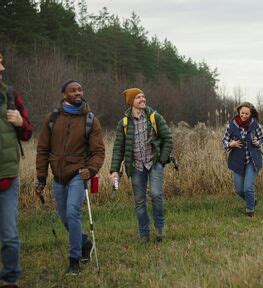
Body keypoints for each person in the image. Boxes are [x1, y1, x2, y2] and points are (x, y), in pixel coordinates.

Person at [35, 79, 105, 275]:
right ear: (64, 95)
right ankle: (84, 243)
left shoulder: (90, 119)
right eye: (73, 90)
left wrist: (90, 170)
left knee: (73, 212)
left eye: (80, 90)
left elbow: (99, 151)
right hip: (58, 176)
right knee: (65, 218)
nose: (78, 93)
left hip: (78, 174)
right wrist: (41, 178)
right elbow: (42, 150)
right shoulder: (52, 118)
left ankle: (74, 260)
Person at [0, 45, 33, 288]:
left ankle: (9, 284)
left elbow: (27, 133)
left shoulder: (10, 95)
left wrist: (20, 123)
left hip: (5, 177)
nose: (1, 68)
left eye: (2, 63)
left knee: (10, 236)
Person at [109, 88, 173, 243]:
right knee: (139, 202)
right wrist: (114, 171)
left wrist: (162, 160)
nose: (143, 99)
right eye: (138, 97)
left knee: (156, 195)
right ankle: (144, 234)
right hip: (136, 167)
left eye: (143, 96)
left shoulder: (154, 117)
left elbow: (168, 139)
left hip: (154, 163)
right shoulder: (123, 123)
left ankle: (160, 228)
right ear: (131, 102)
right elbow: (118, 148)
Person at [222, 102, 263, 217]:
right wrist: (231, 144)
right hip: (237, 161)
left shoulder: (256, 125)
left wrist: (257, 142)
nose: (244, 115)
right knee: (239, 190)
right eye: (242, 113)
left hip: (252, 160)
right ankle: (252, 200)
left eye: (247, 113)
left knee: (248, 188)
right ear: (239, 112)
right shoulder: (232, 125)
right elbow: (224, 141)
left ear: (250, 114)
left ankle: (249, 211)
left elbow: (262, 139)